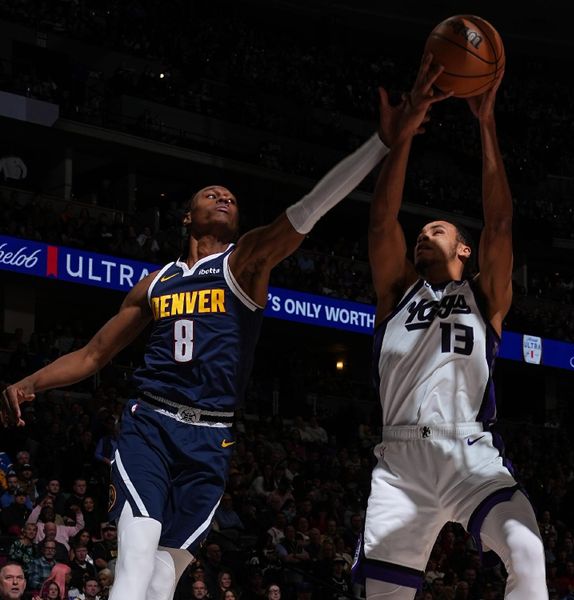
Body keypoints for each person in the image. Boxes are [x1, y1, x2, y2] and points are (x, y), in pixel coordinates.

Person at [1, 81, 416, 600]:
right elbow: (93, 354)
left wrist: (380, 144)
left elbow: (310, 208)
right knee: (134, 558)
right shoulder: (155, 283)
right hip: (150, 423)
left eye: (231, 197)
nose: (223, 196)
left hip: (212, 439)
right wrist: (28, 383)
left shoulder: (244, 263)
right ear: (186, 215)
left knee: (160, 579)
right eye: (210, 194)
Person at [357, 53, 547, 600]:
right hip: (400, 466)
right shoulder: (396, 293)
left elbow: (502, 221)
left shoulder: (485, 296)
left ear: (464, 248)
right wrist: (406, 133)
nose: (423, 235)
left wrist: (486, 124)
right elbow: (380, 221)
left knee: (528, 552)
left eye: (436, 230)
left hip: (469, 453)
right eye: (420, 232)